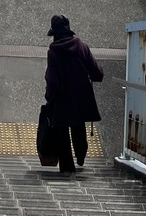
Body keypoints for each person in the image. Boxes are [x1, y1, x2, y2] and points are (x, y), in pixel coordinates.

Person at [41, 14, 104, 175]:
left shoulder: (53, 52)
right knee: (78, 126)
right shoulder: (82, 46)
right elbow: (97, 73)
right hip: (81, 97)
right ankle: (81, 155)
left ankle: (67, 167)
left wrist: (49, 97)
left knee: (62, 132)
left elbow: (52, 80)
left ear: (54, 34)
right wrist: (97, 73)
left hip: (61, 100)